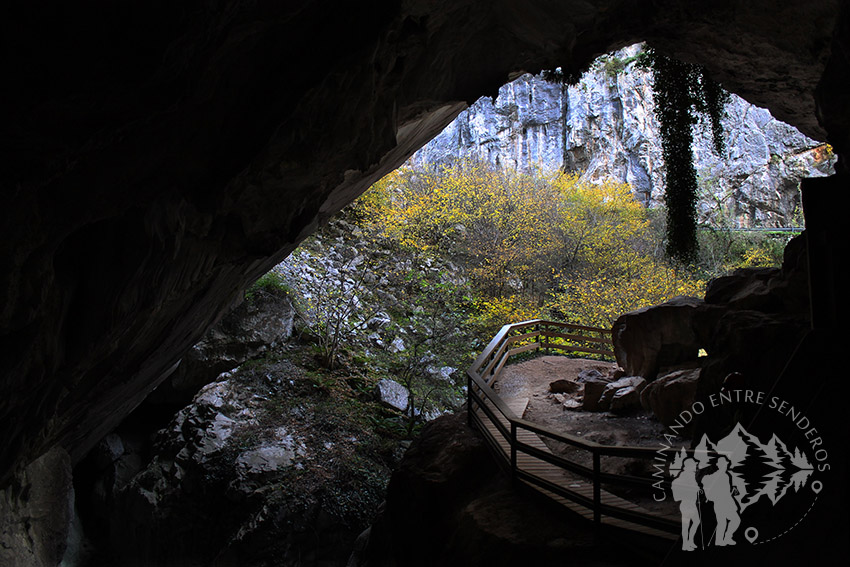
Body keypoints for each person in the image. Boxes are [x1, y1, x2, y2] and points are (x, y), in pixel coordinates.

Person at [702, 456, 741, 546]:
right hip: (722, 502)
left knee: (726, 522)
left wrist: (732, 490)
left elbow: (725, 491)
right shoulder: (721, 476)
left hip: (723, 502)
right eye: (724, 463)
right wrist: (732, 491)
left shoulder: (725, 475)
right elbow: (723, 492)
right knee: (731, 521)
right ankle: (723, 539)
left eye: (726, 463)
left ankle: (723, 539)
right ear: (719, 465)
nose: (726, 465)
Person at [671, 457, 701, 551]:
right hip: (687, 503)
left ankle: (689, 542)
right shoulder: (687, 476)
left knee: (693, 523)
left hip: (689, 503)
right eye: (694, 465)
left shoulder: (688, 475)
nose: (695, 467)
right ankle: (686, 544)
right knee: (688, 524)